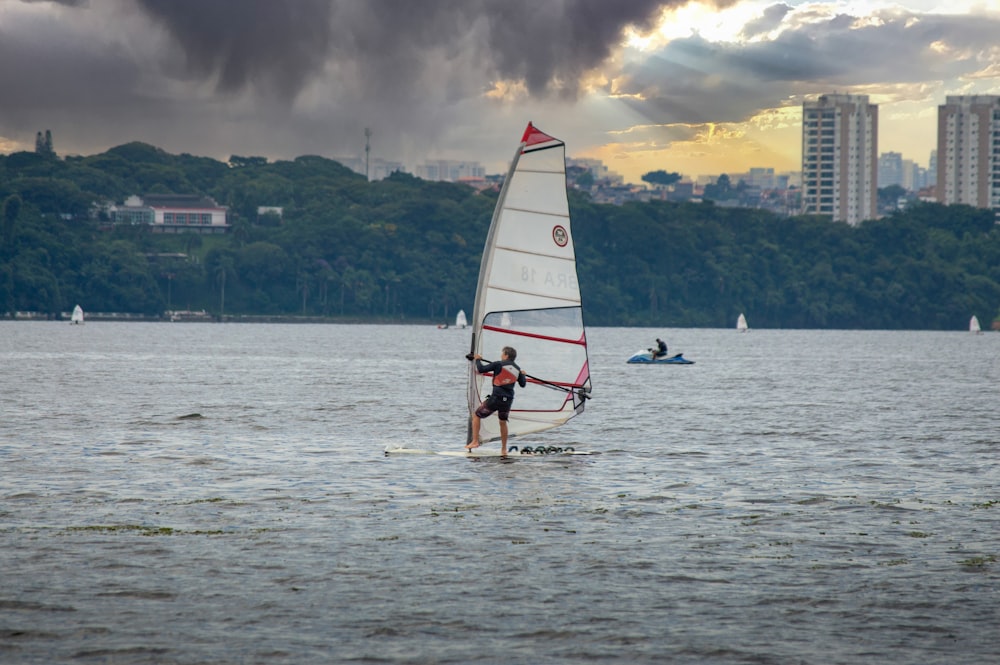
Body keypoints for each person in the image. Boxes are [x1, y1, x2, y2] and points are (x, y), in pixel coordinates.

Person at [465, 346, 527, 456]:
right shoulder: (517, 368)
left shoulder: (498, 364)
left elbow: (481, 369)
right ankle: (503, 449)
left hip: (496, 398)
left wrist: (478, 359)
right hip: (508, 400)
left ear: (506, 355)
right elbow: (523, 384)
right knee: (502, 422)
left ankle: (474, 441)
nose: (501, 355)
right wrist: (522, 375)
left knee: (477, 415)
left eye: (502, 354)